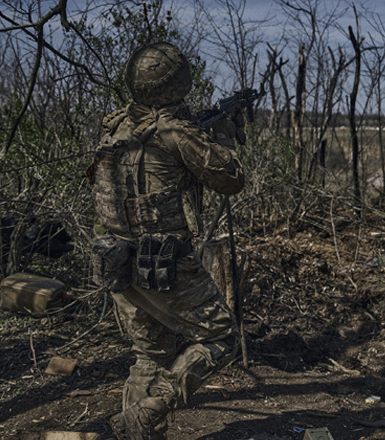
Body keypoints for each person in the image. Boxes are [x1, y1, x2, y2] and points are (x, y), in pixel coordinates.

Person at [89, 42, 246, 440]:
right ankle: (153, 408)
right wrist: (225, 134)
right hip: (165, 263)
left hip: (117, 258)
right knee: (221, 337)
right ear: (179, 82)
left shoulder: (116, 126)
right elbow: (231, 180)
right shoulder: (174, 131)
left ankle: (138, 430)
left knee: (149, 356)